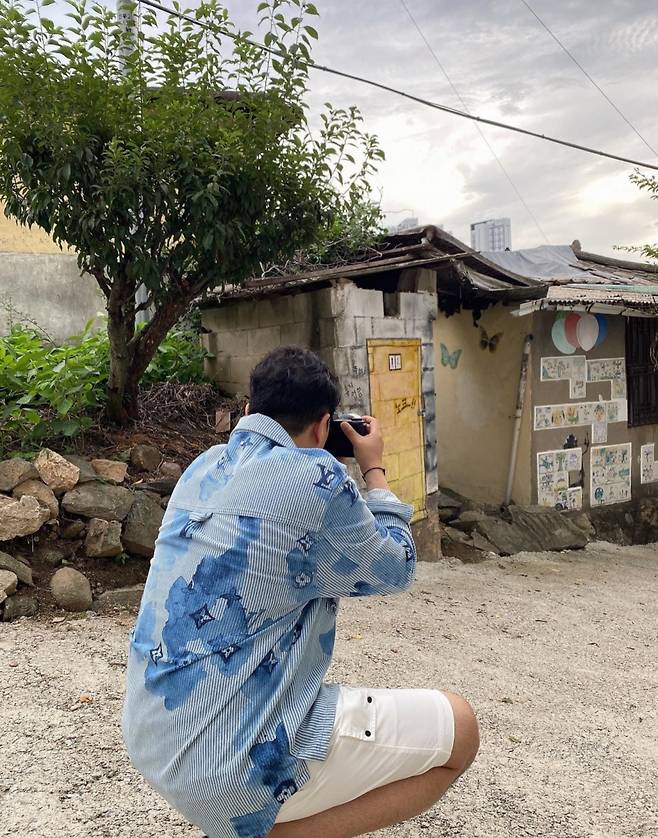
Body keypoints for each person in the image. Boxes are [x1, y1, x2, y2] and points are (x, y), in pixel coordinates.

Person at [122, 346, 479, 838]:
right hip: (227, 768)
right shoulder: (321, 479)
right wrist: (374, 470)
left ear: (248, 410)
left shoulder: (202, 467)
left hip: (153, 739)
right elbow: (397, 569)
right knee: (461, 731)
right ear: (323, 426)